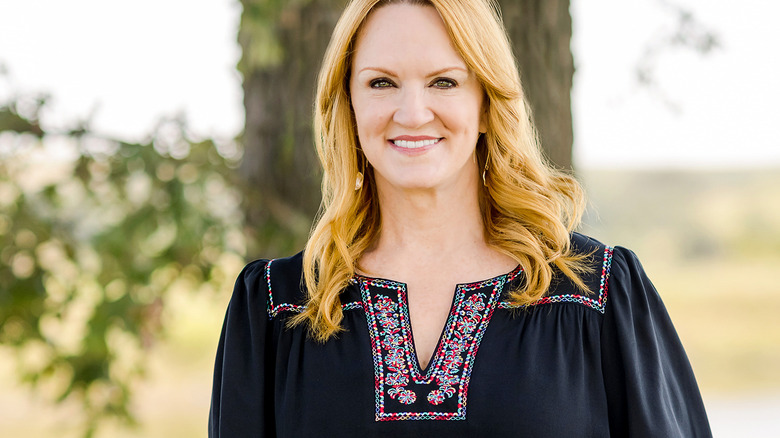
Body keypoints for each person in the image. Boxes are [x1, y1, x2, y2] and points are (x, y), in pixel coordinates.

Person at [209, 0, 712, 436]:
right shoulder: (276, 309)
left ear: (487, 103)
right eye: (381, 82)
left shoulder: (596, 294)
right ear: (349, 104)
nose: (412, 113)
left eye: (443, 82)